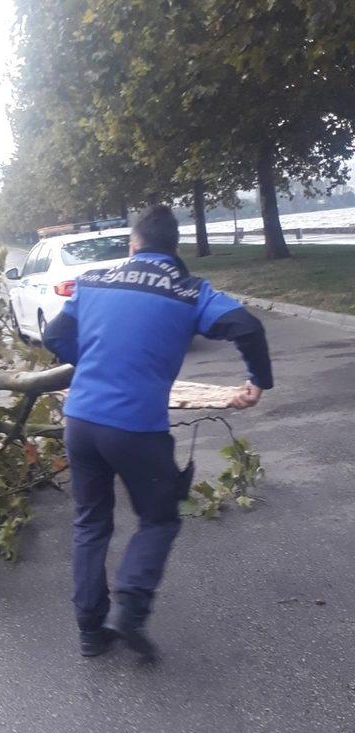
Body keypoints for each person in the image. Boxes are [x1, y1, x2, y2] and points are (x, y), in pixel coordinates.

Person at [43, 206, 273, 659]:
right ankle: (130, 607)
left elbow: (55, 335)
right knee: (160, 517)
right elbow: (247, 325)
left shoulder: (93, 281)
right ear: (174, 248)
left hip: (82, 422)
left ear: (133, 245)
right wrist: (257, 381)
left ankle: (90, 632)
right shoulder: (189, 291)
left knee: (90, 523)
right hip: (136, 429)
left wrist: (88, 362)